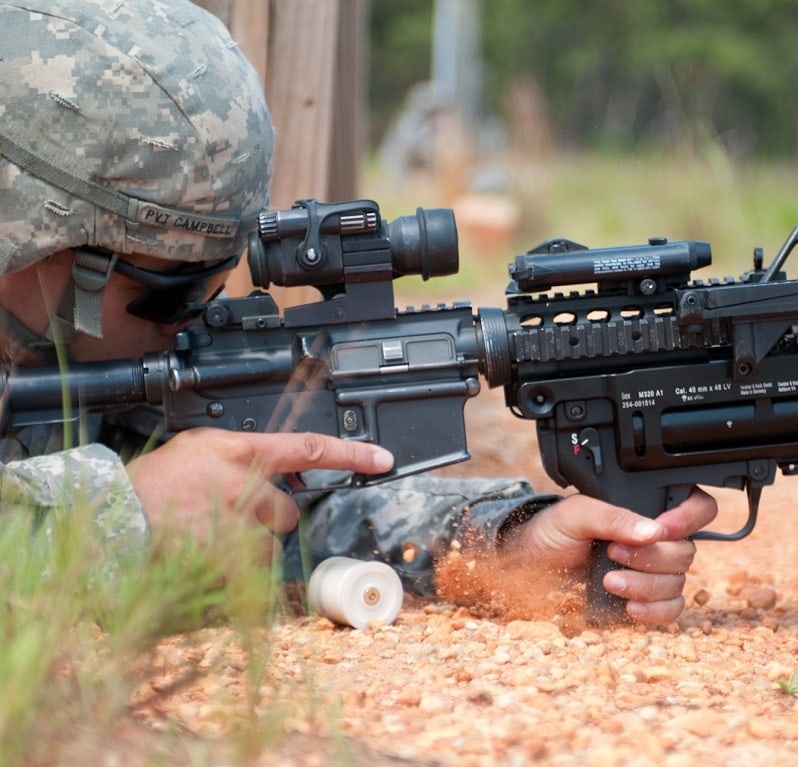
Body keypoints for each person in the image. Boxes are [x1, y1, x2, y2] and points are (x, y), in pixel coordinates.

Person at [0, 0, 716, 626]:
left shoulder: (74, 359)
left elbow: (291, 515)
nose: (197, 315)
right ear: (29, 236)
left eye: (216, 278)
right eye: (170, 287)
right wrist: (117, 517)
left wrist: (506, 545)